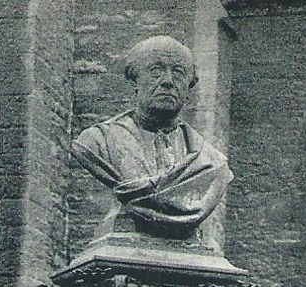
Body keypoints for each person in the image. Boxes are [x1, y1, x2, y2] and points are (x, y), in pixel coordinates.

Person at [71, 35, 232, 240]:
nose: (167, 81)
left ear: (190, 85)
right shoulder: (97, 142)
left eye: (178, 73)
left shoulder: (211, 163)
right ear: (134, 81)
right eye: (155, 71)